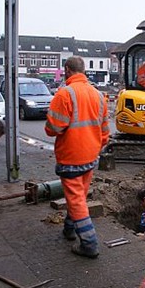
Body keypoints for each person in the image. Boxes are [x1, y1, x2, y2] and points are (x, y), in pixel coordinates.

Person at [45, 55, 109, 259]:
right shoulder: (99, 95)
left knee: (76, 201)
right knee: (79, 196)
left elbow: (53, 128)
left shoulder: (65, 94)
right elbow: (105, 132)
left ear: (67, 70)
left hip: (71, 156)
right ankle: (69, 229)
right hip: (91, 155)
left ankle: (89, 244)